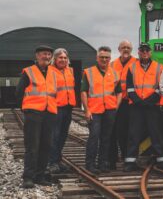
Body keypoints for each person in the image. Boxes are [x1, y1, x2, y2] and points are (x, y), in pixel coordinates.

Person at [123, 42, 163, 172]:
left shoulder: (159, 67)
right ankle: (130, 162)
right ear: (138, 52)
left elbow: (160, 88)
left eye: (146, 50)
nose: (144, 52)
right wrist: (139, 102)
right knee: (133, 134)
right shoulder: (131, 67)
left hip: (152, 107)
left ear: (150, 52)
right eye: (142, 50)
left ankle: (162, 161)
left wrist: (148, 102)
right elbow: (130, 88)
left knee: (156, 134)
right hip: (136, 107)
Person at [16, 45, 57, 188]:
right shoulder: (28, 72)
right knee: (32, 146)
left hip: (49, 113)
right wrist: (25, 109)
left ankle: (40, 176)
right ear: (37, 56)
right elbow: (19, 92)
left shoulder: (53, 72)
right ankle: (28, 177)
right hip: (33, 113)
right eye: (44, 54)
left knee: (46, 146)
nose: (46, 57)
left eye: (48, 54)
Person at [81, 46, 122, 174]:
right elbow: (83, 92)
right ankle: (90, 164)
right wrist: (87, 110)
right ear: (97, 58)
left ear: (110, 58)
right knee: (94, 136)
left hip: (109, 110)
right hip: (94, 110)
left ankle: (103, 163)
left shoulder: (115, 73)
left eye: (107, 57)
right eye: (102, 57)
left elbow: (119, 92)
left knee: (106, 138)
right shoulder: (89, 72)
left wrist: (116, 106)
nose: (104, 59)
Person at [109, 40, 137, 170]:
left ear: (131, 50)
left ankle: (128, 157)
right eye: (123, 47)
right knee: (115, 131)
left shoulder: (136, 63)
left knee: (129, 131)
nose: (126, 49)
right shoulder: (112, 64)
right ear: (119, 49)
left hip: (130, 102)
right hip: (115, 101)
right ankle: (113, 159)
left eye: (128, 47)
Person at [48, 48, 76, 174]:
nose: (63, 60)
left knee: (63, 135)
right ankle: (52, 162)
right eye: (60, 58)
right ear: (55, 59)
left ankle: (58, 159)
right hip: (56, 107)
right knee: (54, 135)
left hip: (68, 107)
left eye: (65, 58)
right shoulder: (49, 71)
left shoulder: (70, 70)